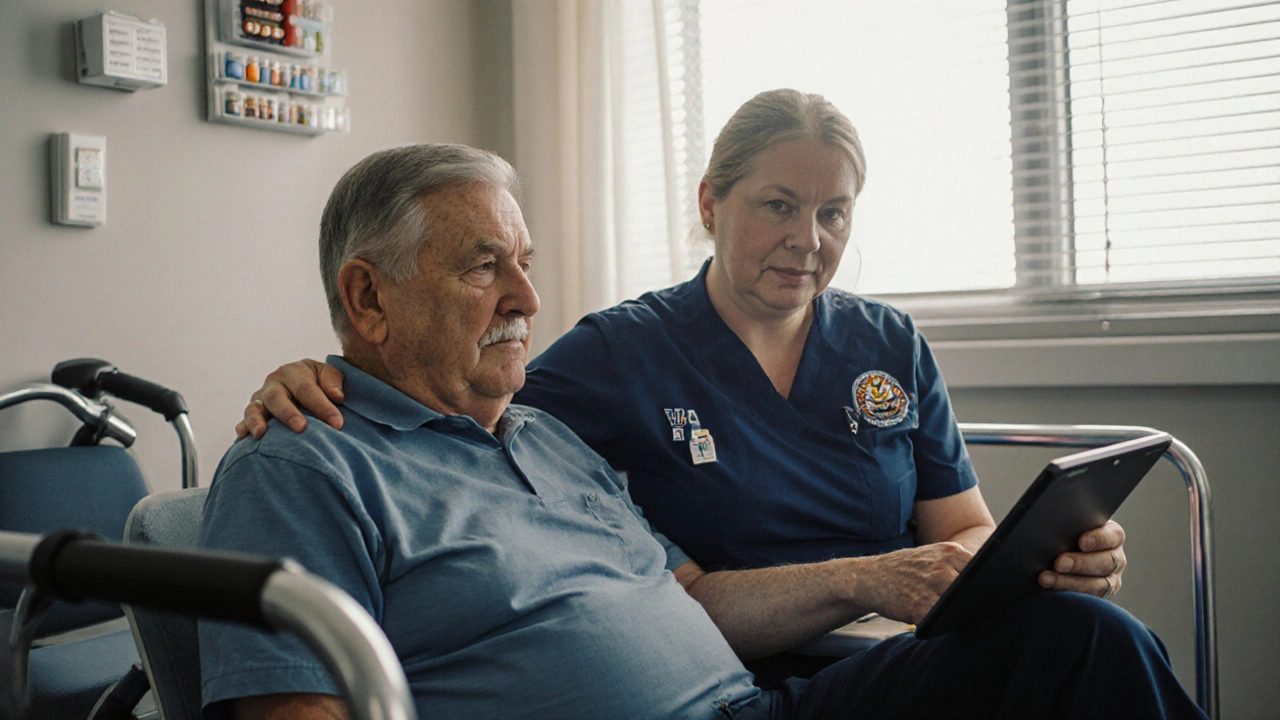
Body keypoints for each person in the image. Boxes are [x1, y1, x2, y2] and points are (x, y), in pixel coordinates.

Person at [202, 141, 1208, 720]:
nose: (528, 298)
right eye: (482, 267)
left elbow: (690, 602)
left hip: (760, 705)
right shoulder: (302, 467)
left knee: (1081, 638)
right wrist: (316, 381)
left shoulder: (546, 437)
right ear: (366, 298)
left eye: (526, 263)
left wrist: (879, 578)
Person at [241, 90, 1127, 625]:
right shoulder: (621, 353)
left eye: (833, 214)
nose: (808, 239)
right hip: (772, 655)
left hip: (911, 635)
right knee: (1087, 649)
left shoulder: (888, 344)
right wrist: (325, 377)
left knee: (1090, 631)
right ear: (710, 204)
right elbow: (460, 407)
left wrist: (1021, 565)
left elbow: (962, 525)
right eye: (778, 206)